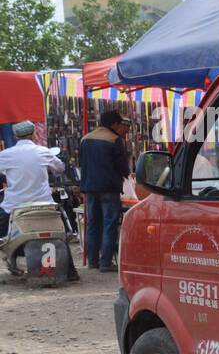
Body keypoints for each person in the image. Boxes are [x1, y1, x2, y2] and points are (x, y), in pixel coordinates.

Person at [0, 121, 80, 280]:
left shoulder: (6, 154)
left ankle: (9, 255)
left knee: (3, 232)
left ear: (15, 136)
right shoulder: (43, 151)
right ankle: (71, 272)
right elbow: (60, 168)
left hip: (15, 206)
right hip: (44, 205)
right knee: (62, 234)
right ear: (33, 134)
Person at [80, 109, 133, 273]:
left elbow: (83, 163)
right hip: (109, 188)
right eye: (119, 125)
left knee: (92, 224)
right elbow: (122, 166)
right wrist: (128, 175)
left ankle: (93, 262)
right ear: (114, 124)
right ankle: (106, 263)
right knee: (109, 224)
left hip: (89, 188)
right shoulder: (114, 139)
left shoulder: (85, 139)